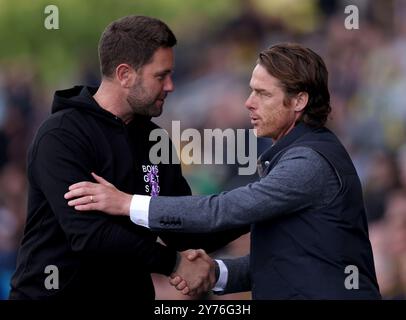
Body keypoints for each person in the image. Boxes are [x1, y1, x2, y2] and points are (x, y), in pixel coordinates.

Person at [65, 43, 382, 299]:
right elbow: (288, 259)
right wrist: (216, 273)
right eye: (250, 90)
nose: (248, 103)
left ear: (299, 100)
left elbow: (225, 209)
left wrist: (127, 203)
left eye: (262, 93)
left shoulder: (308, 164)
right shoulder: (297, 155)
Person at [9, 15, 245, 300]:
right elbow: (90, 235)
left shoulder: (155, 140)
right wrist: (174, 263)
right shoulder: (61, 135)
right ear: (124, 74)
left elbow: (183, 229)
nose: (170, 85)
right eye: (160, 76)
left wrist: (258, 209)